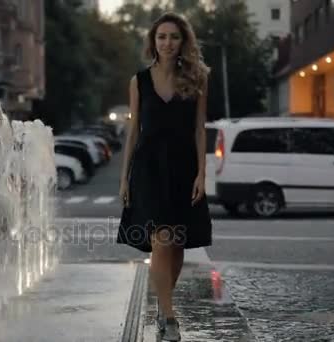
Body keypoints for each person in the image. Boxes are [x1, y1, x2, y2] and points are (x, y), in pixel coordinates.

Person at [116, 12, 213, 341]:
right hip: (149, 167)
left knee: (177, 245)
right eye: (161, 37)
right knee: (161, 241)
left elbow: (200, 129)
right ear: (153, 42)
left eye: (174, 37)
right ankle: (170, 319)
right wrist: (124, 177)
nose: (167, 43)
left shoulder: (198, 77)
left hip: (184, 167)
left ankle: (163, 306)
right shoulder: (139, 81)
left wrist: (202, 171)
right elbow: (133, 131)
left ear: (183, 41)